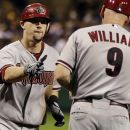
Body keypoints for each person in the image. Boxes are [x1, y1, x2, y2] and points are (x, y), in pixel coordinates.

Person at [55, 0, 130, 130]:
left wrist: (73, 88)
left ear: (102, 11)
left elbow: (61, 74)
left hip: (84, 110)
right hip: (118, 112)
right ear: (128, 19)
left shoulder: (81, 34)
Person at [0, 3, 64, 130]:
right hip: (5, 123)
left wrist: (53, 103)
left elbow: (52, 87)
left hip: (34, 126)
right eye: (34, 21)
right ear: (22, 24)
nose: (39, 25)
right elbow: (6, 74)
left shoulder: (54, 54)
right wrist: (26, 69)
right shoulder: (9, 51)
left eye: (44, 22)